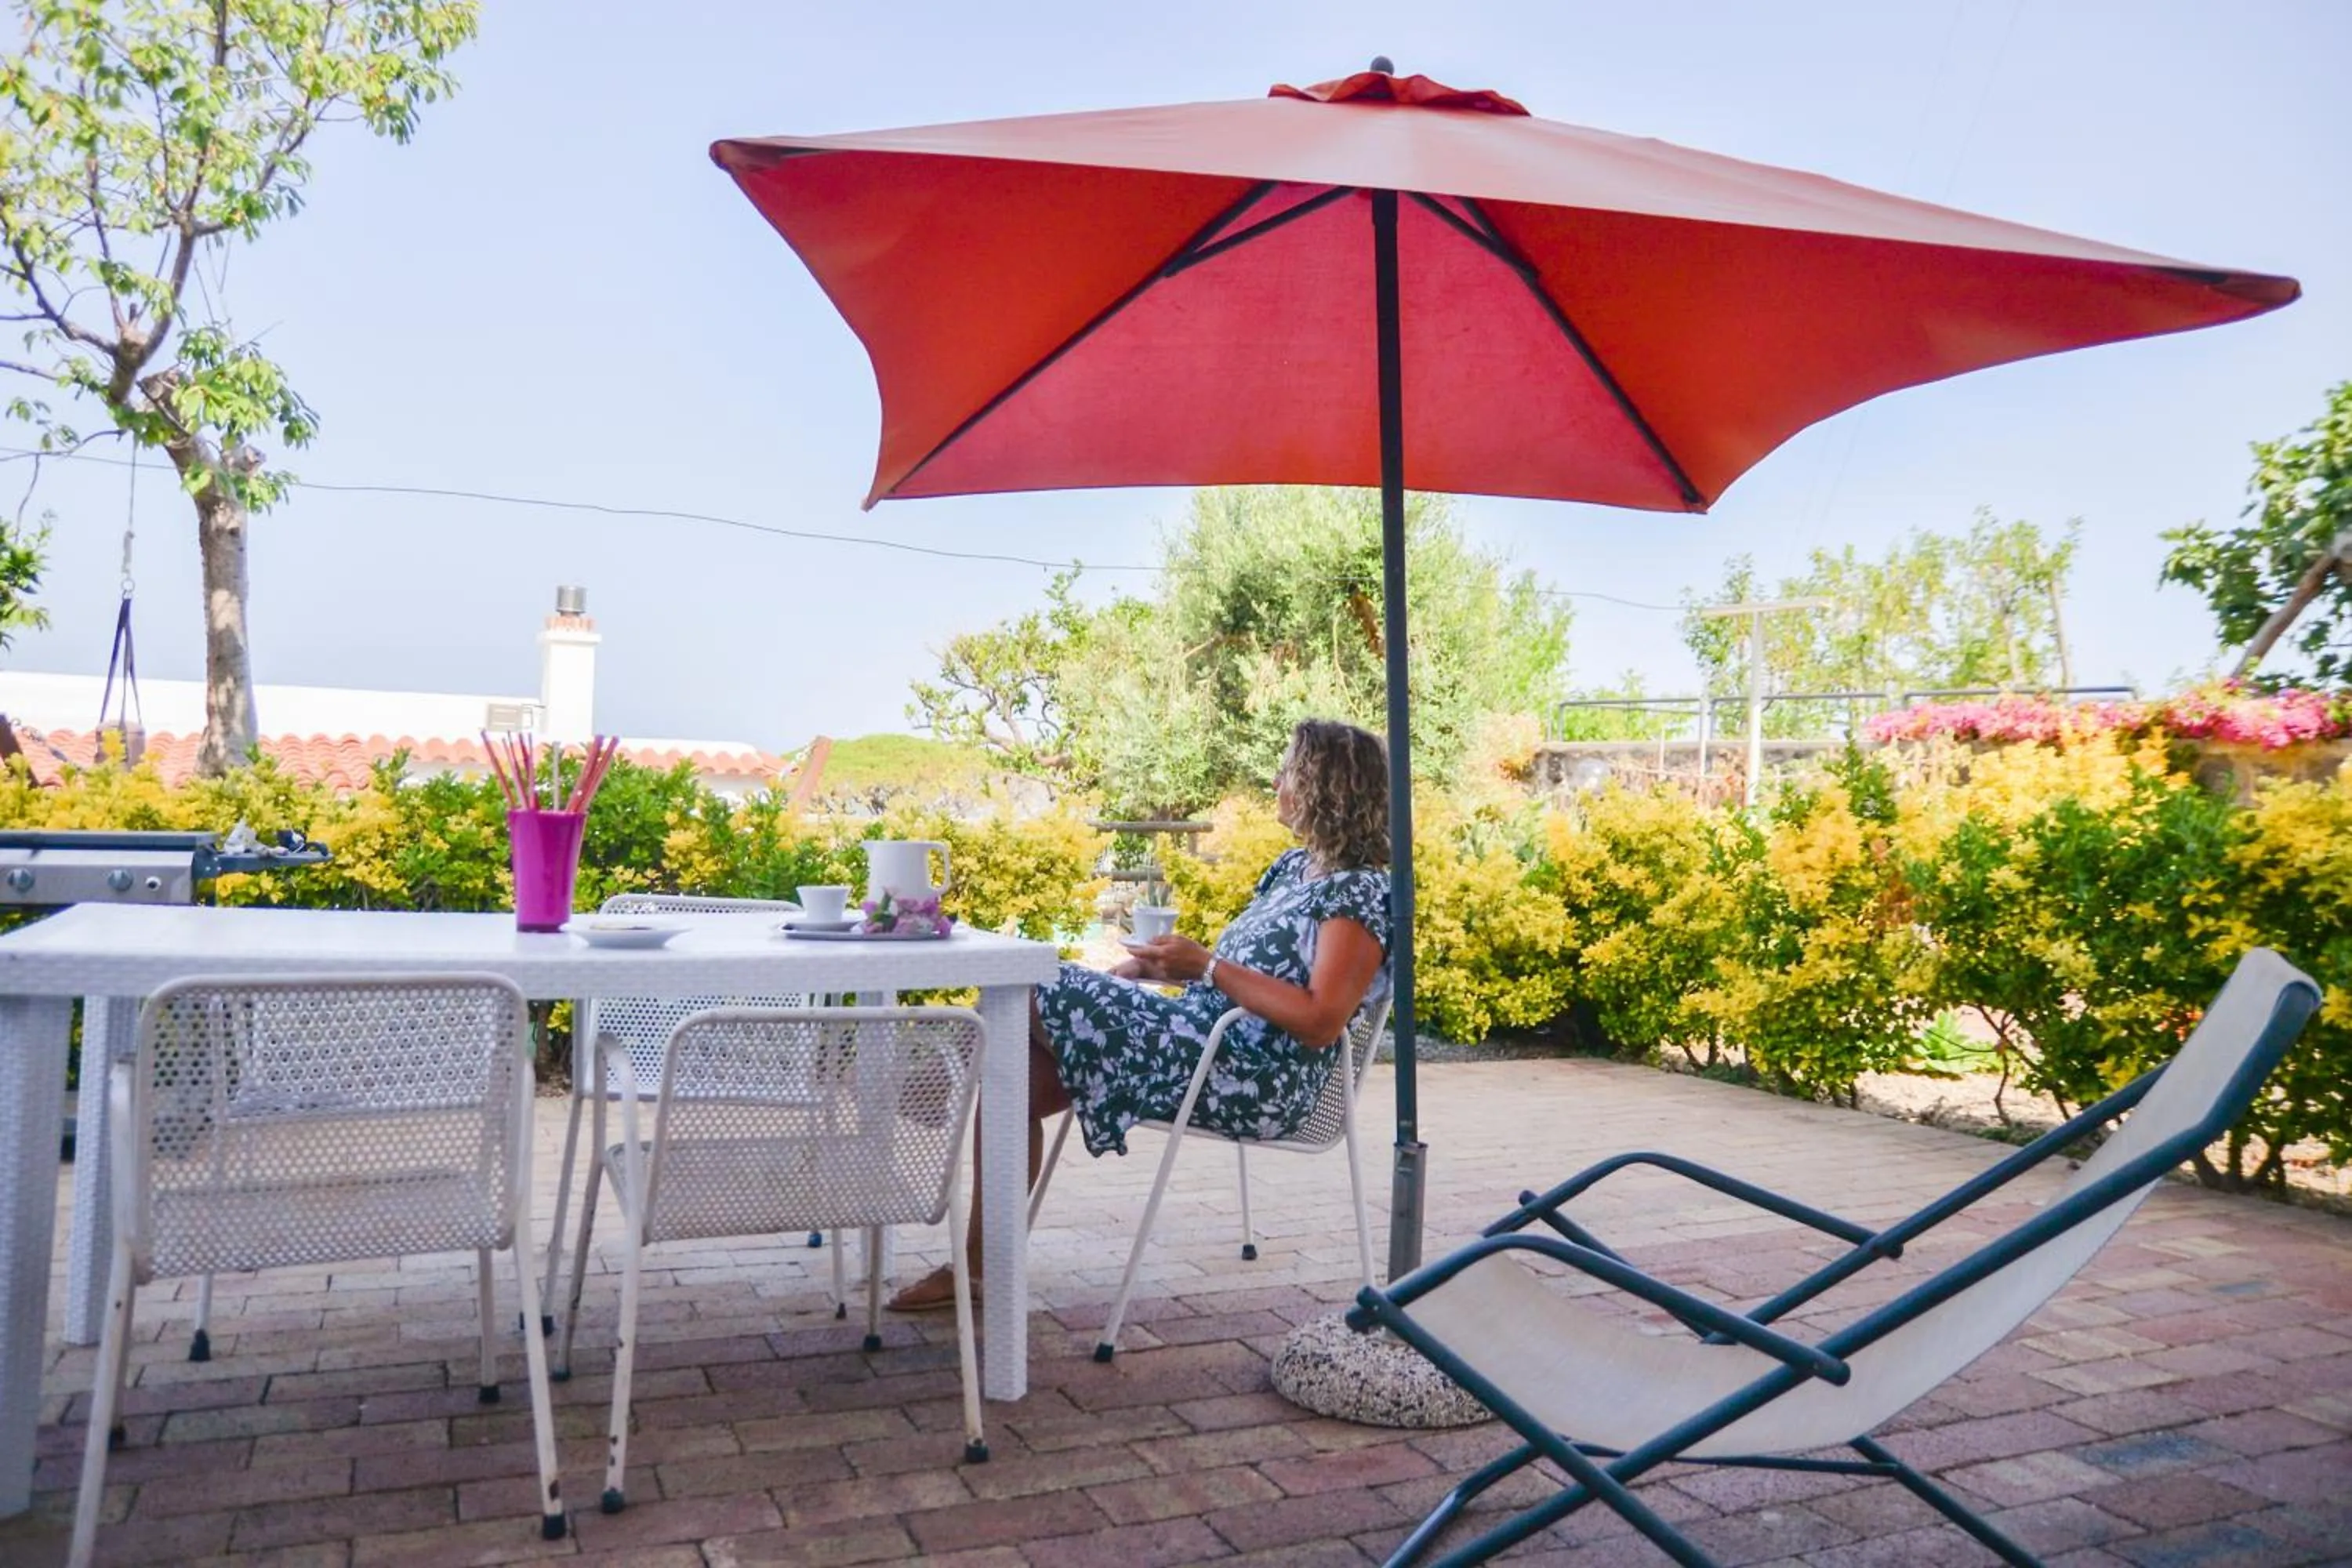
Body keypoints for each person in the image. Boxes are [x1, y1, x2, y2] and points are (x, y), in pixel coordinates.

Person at [888, 717, 1393, 1312]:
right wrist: (1167, 969)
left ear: (1325, 787)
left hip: (1252, 1076)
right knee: (1013, 1080)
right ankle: (977, 1269)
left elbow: (1321, 1021)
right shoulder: (1293, 870)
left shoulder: (1361, 893)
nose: (1277, 781)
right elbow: (1245, 977)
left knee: (1025, 981)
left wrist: (1205, 966)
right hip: (1202, 1038)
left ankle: (925, 1082)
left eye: (1289, 770)